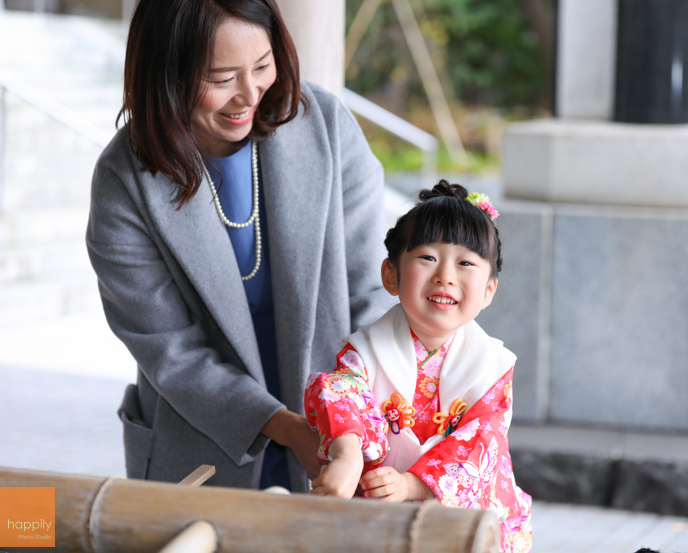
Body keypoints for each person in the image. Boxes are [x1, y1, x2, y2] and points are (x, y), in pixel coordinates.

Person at [86, 0, 393, 492]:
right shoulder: (124, 180)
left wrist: (348, 424)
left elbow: (373, 296)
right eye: (222, 77)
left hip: (341, 441)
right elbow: (169, 349)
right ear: (167, 75)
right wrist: (282, 426)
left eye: (263, 66)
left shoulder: (327, 127)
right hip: (199, 447)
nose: (249, 94)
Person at [305, 182, 533, 553]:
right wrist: (346, 454)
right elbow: (341, 394)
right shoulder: (365, 351)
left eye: (465, 263)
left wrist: (414, 485)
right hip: (379, 501)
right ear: (391, 275)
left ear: (489, 290)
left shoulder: (492, 366)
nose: (445, 275)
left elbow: (481, 442)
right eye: (428, 258)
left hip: (456, 514)